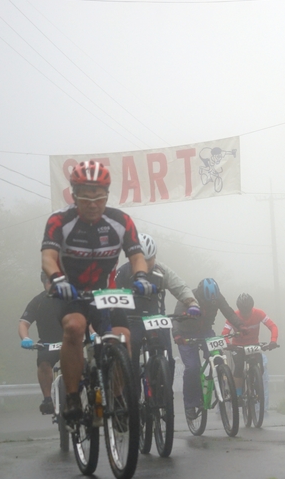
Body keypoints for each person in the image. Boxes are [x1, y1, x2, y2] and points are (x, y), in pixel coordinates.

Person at [41, 160, 156, 422]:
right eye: (85, 198)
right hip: (72, 291)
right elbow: (48, 257)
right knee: (74, 327)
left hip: (106, 292)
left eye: (99, 198)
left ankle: (116, 398)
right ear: (74, 195)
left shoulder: (121, 221)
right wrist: (58, 280)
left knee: (123, 336)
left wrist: (141, 276)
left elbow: (136, 255)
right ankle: (71, 398)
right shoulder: (59, 221)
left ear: (106, 196)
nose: (93, 204)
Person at [115, 232, 201, 374]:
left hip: (157, 319)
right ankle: (132, 392)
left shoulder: (162, 270)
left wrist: (192, 304)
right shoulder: (123, 273)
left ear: (155, 256)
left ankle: (167, 394)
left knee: (169, 360)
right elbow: (110, 294)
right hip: (132, 320)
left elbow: (180, 287)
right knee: (131, 355)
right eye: (141, 260)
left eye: (150, 259)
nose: (147, 264)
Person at [172, 278, 241, 421]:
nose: (210, 303)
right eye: (207, 300)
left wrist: (240, 325)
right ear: (201, 295)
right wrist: (177, 334)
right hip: (185, 334)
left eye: (212, 300)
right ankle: (190, 404)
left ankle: (219, 383)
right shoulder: (187, 296)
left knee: (218, 357)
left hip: (205, 331)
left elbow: (228, 311)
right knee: (192, 367)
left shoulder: (216, 297)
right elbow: (176, 318)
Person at [221, 293, 279, 415]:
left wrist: (273, 341)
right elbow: (225, 332)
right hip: (238, 347)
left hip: (253, 345)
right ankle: (238, 395)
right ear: (239, 309)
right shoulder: (233, 316)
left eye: (248, 311)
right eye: (243, 311)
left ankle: (255, 387)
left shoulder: (259, 313)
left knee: (259, 368)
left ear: (252, 308)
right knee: (238, 368)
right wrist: (227, 344)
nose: (246, 314)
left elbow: (272, 326)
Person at [18, 272, 64, 415]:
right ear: (44, 283)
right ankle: (48, 399)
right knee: (43, 363)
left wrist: (93, 333)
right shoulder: (37, 301)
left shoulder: (70, 298)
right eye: (50, 282)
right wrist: (25, 338)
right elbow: (23, 323)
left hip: (70, 342)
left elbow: (86, 320)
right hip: (47, 344)